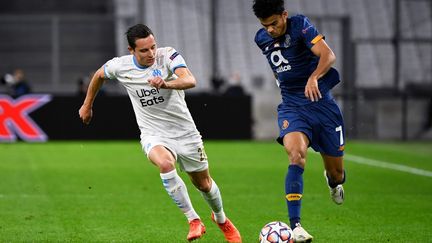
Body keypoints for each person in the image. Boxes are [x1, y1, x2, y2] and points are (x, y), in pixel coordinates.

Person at [78, 24, 242, 242]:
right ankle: (193, 219)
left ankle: (221, 219)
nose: (151, 54)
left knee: (203, 183)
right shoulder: (120, 66)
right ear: (131, 50)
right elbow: (99, 75)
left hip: (185, 132)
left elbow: (190, 80)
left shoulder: (168, 55)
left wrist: (166, 84)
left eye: (153, 47)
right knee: (165, 164)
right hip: (153, 133)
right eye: (144, 50)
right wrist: (87, 105)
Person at [252, 0, 346, 242]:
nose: (270, 30)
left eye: (274, 23)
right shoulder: (261, 38)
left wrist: (314, 76)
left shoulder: (301, 25)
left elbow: (328, 55)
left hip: (322, 106)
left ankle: (333, 182)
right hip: (292, 107)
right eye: (265, 26)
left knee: (337, 173)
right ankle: (296, 227)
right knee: (296, 155)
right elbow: (279, 66)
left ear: (284, 15)